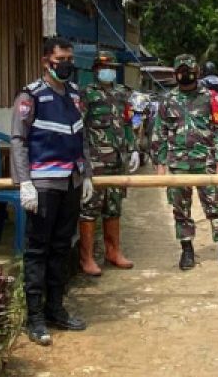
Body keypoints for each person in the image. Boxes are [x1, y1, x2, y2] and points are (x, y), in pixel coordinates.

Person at [11, 36, 95, 346]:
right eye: (62, 59)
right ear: (47, 61)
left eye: (70, 59)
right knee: (37, 250)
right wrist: (25, 183)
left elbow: (80, 135)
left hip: (71, 182)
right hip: (43, 184)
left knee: (62, 247)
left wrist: (86, 174)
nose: (68, 65)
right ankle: (35, 318)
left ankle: (55, 309)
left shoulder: (73, 94)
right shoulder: (30, 96)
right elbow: (18, 140)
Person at [152, 54, 218, 272]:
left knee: (216, 208)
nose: (185, 74)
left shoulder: (210, 98)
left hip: (207, 163)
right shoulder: (168, 100)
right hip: (178, 165)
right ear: (175, 74)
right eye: (181, 70)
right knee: (181, 210)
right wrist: (160, 164)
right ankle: (187, 251)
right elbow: (159, 133)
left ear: (198, 72)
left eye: (189, 70)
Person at [78, 51, 140, 276]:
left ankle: (113, 252)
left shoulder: (122, 93)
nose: (109, 71)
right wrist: (83, 163)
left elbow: (127, 123)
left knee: (114, 207)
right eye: (105, 67)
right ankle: (87, 258)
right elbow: (80, 130)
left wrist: (133, 149)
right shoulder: (86, 95)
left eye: (112, 67)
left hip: (117, 160)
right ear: (95, 70)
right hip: (96, 162)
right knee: (89, 209)